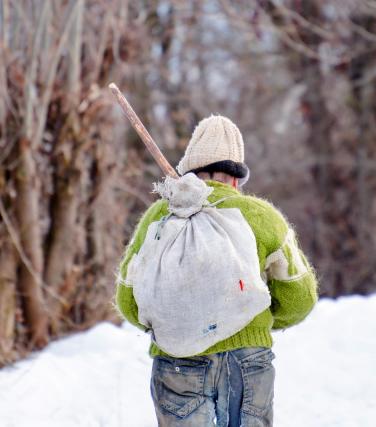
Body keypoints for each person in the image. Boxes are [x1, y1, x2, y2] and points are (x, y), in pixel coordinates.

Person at [115, 115, 319, 427]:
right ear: (236, 179)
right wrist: (252, 318)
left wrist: (174, 321)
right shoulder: (261, 217)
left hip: (176, 363)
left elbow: (128, 300)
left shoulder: (157, 218)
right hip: (247, 360)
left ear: (188, 173)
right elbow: (300, 298)